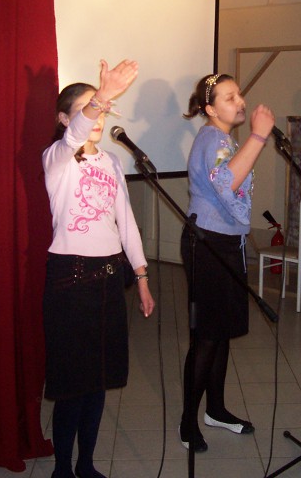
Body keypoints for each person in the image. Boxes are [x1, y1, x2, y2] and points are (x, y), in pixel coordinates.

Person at [42, 59, 156, 478]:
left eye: (102, 109)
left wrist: (142, 278)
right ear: (63, 118)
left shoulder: (110, 162)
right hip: (70, 281)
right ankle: (62, 469)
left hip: (109, 280)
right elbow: (75, 135)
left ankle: (86, 465)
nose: (98, 116)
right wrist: (103, 94)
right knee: (73, 386)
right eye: (88, 108)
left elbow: (125, 222)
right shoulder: (57, 158)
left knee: (99, 382)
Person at [179, 73, 275, 452]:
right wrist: (258, 137)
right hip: (208, 244)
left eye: (239, 94)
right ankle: (188, 421)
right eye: (229, 97)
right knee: (207, 336)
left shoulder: (225, 139)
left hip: (227, 242)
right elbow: (226, 182)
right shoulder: (212, 139)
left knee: (222, 332)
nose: (240, 101)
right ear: (210, 108)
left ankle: (215, 410)